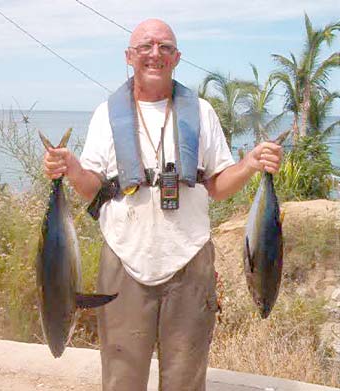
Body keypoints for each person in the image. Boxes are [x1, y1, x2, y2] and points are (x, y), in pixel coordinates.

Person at [44, 18, 283, 391]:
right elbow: (93, 188)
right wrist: (71, 167)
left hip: (189, 261)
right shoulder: (106, 116)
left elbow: (217, 187)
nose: (155, 54)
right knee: (122, 377)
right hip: (124, 260)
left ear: (177, 57)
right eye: (145, 46)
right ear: (129, 56)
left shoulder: (201, 112)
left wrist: (251, 164)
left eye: (165, 47)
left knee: (186, 377)